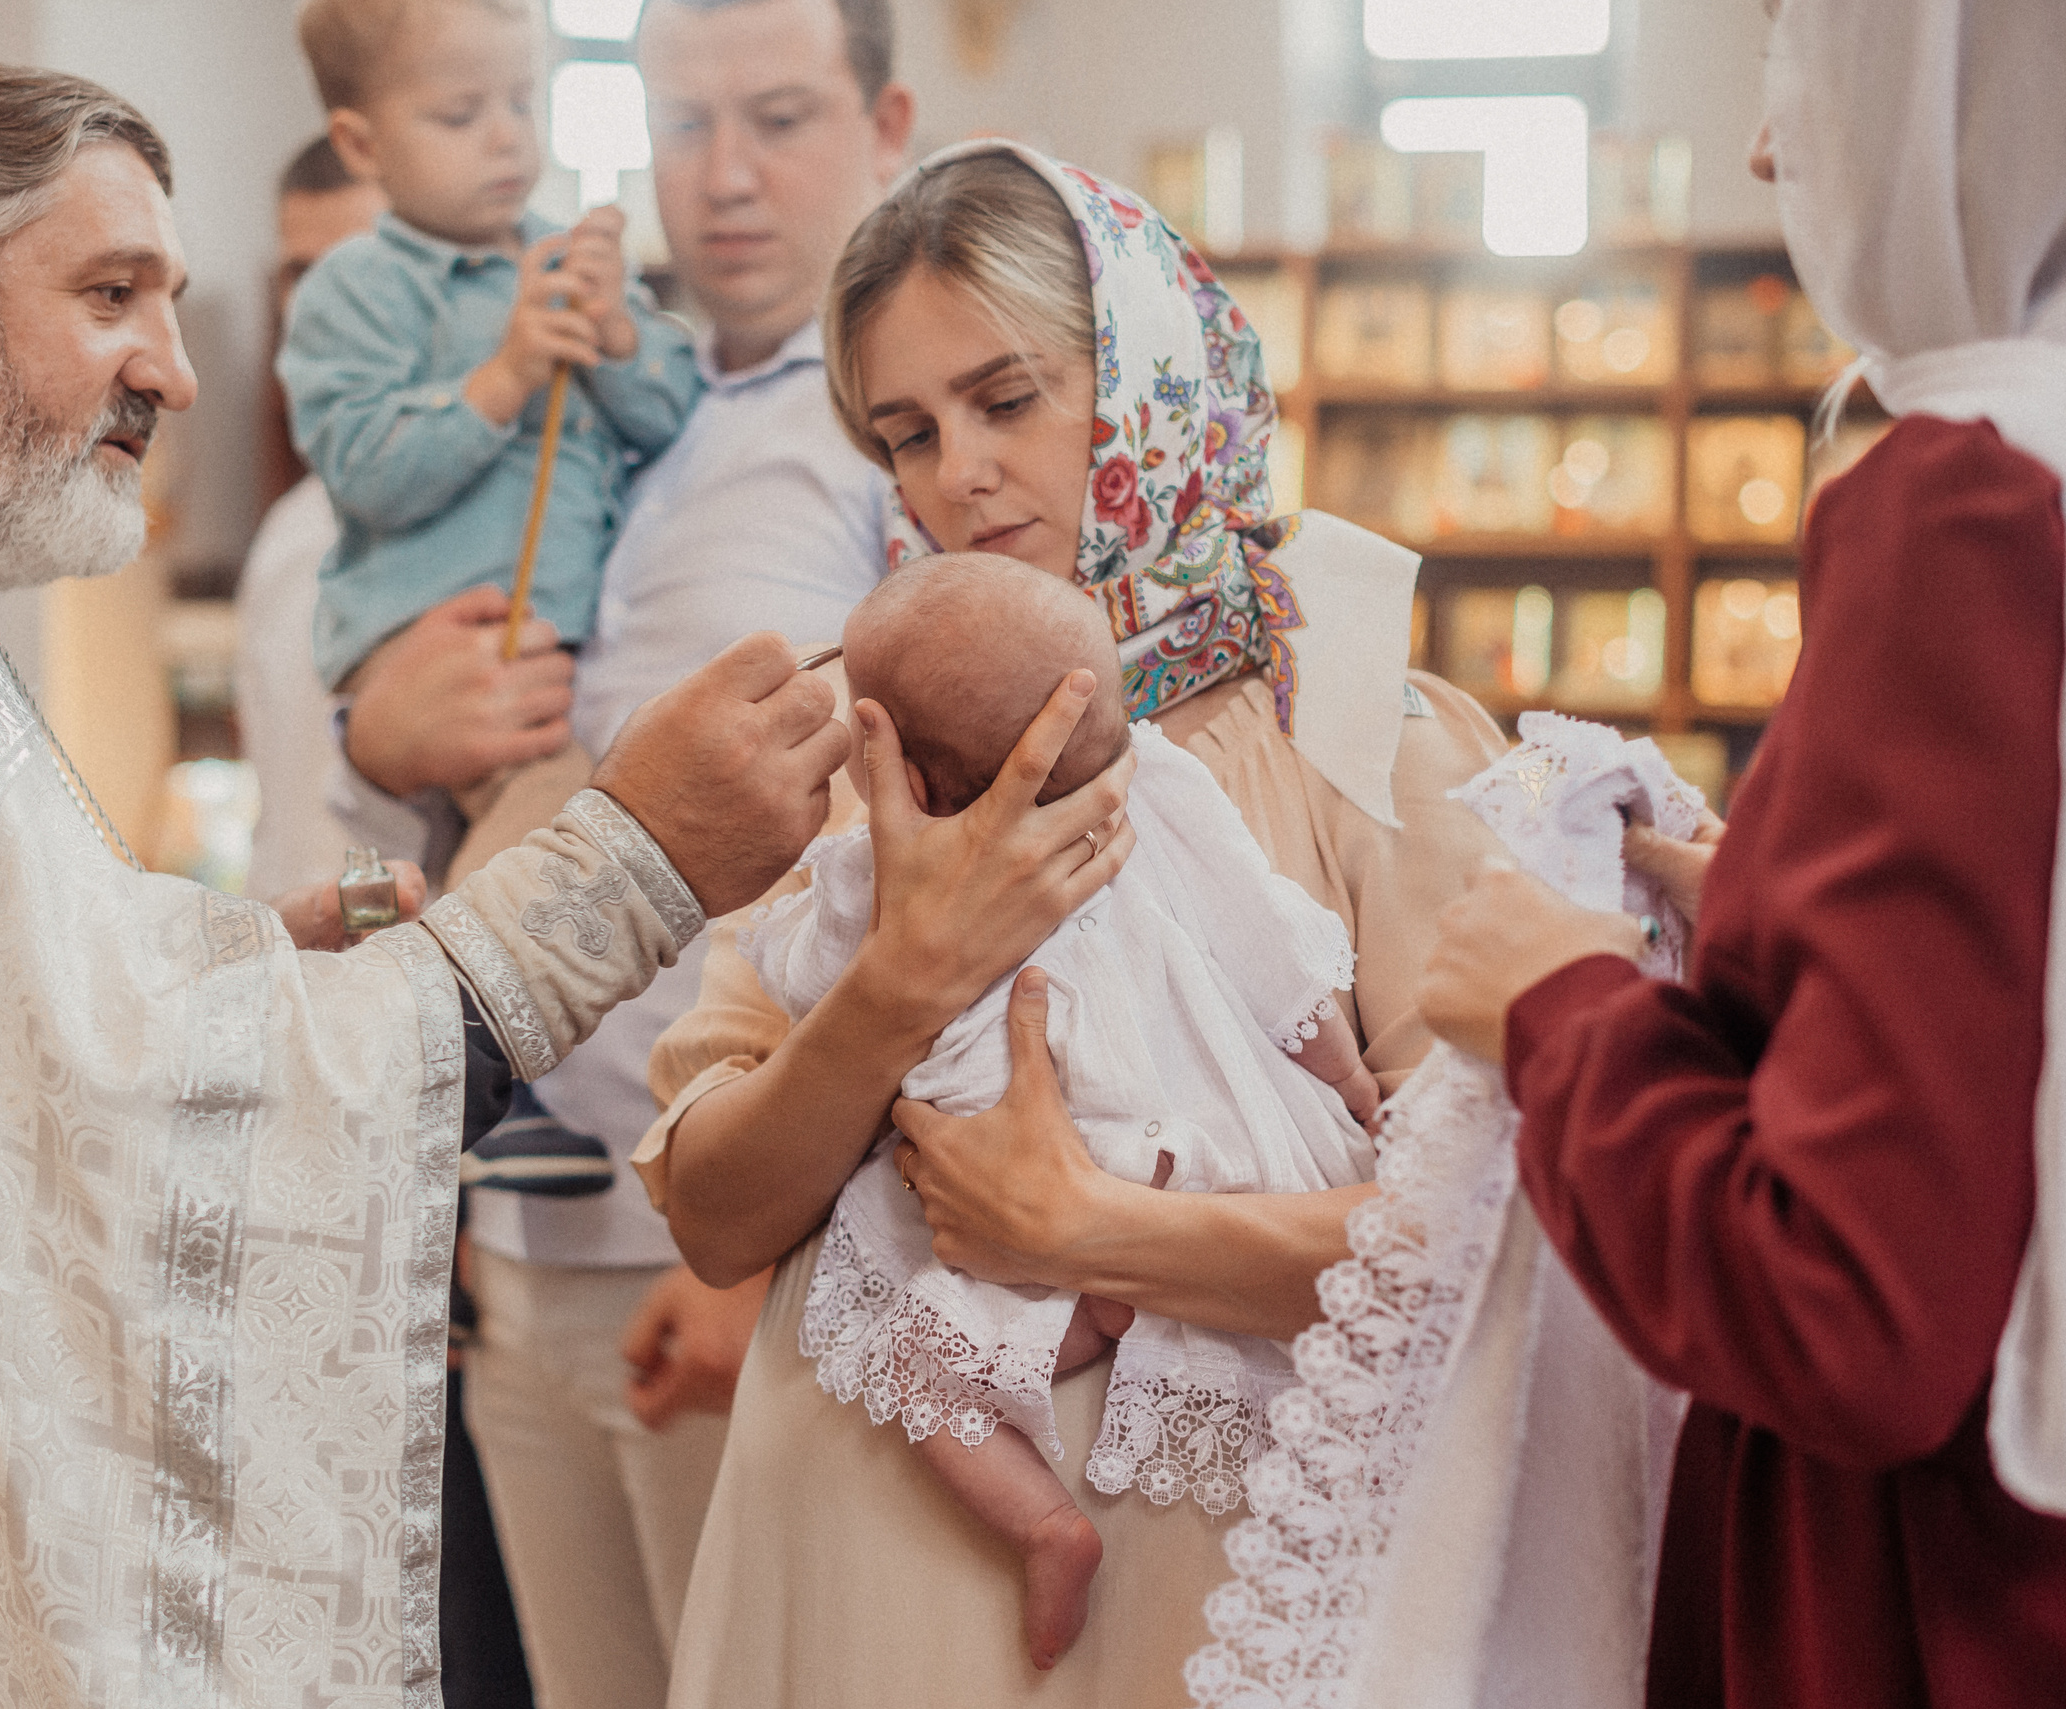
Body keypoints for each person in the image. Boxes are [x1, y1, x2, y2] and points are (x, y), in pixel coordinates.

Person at [0, 58, 846, 1706]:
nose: (177, 369)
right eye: (111, 292)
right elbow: (165, 1117)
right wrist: (636, 857)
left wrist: (212, 952)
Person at [628, 140, 1511, 1706]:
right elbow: (714, 1207)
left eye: (1008, 398)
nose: (955, 472)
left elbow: (1487, 1250)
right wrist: (898, 987)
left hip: (1209, 1596)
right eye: (905, 432)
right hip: (854, 1581)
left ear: (1151, 382)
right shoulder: (874, 764)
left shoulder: (1363, 733)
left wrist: (1087, 1232)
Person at [1413, 2, 2066, 1704]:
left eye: (1802, 63)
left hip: (1929, 1601)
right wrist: (1771, 925)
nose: (1771, 146)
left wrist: (1563, 1012)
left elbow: (1850, 1304)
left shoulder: (1975, 505)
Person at [324, 4, 912, 1704]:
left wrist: (770, 1238)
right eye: (681, 123)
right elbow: (451, 791)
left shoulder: (893, 422)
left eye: (781, 118)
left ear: (888, 122)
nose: (722, 178)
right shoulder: (592, 393)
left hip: (725, 1245)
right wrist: (384, 742)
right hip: (522, 1216)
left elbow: (919, 849)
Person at [752, 551, 1381, 1669]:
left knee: (909, 1342)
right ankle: (1117, 1313)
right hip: (1203, 1148)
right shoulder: (1167, 784)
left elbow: (807, 985)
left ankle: (1043, 1522)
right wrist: (1339, 1073)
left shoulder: (880, 868)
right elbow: (1268, 938)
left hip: (1002, 1170)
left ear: (904, 770)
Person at [282, 0, 699, 757]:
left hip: (569, 652)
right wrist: (503, 379)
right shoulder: (348, 292)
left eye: (519, 100)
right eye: (459, 114)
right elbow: (365, 472)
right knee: (567, 830)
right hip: (435, 654)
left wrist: (618, 335)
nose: (507, 136)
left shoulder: (574, 259)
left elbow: (675, 418)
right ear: (361, 144)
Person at [239, 136, 390, 902]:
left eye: (361, 264)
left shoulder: (518, 514)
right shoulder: (288, 531)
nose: (323, 304)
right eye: (302, 271)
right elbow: (282, 820)